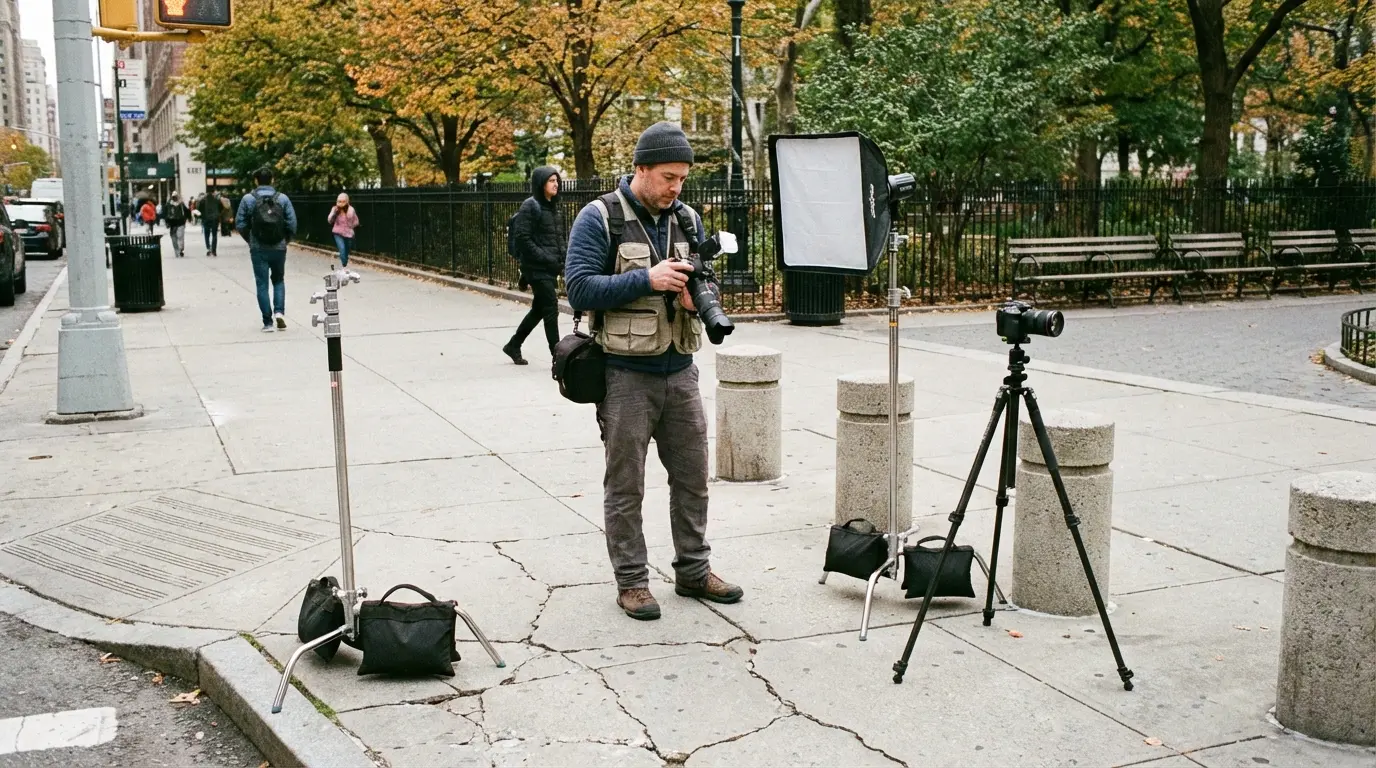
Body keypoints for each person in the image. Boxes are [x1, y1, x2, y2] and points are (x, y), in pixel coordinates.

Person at [564, 122, 743, 621]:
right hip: (624, 375)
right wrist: (648, 278)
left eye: (682, 178)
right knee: (627, 485)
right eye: (667, 177)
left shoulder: (686, 218)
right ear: (640, 169)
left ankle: (693, 570)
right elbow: (578, 288)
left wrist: (695, 297)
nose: (676, 187)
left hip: (680, 369)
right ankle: (633, 583)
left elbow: (704, 281)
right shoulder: (598, 218)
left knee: (693, 479)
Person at [502, 166, 565, 365]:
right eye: (551, 181)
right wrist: (546, 258)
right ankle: (558, 356)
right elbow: (523, 239)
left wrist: (562, 261)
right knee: (551, 308)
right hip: (536, 268)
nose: (556, 184)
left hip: (549, 267)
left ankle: (513, 344)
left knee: (540, 309)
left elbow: (558, 238)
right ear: (541, 183)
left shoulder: (554, 207)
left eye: (557, 180)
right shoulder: (531, 206)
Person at [236, 167, 298, 333]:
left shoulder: (248, 199)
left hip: (258, 248)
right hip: (279, 247)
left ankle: (268, 322)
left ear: (256, 180)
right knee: (278, 280)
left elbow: (240, 223)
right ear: (272, 180)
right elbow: (292, 223)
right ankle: (279, 312)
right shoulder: (282, 199)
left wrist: (250, 240)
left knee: (262, 284)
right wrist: (285, 240)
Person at [327, 192, 359, 267]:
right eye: (339, 201)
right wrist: (335, 213)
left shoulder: (351, 209)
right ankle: (344, 266)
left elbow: (356, 221)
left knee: (346, 252)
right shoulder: (335, 209)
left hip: (349, 234)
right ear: (337, 202)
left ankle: (344, 264)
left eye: (343, 201)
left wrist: (351, 226)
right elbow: (329, 220)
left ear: (347, 202)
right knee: (342, 248)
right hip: (338, 232)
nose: (341, 203)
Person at [163, 192, 190, 257]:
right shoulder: (181, 204)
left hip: (172, 224)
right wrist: (188, 218)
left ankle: (177, 250)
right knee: (180, 237)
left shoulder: (168, 204)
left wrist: (166, 222)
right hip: (180, 222)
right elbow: (187, 211)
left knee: (174, 237)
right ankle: (180, 249)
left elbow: (165, 214)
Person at [197, 190, 223, 256]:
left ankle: (208, 248)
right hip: (215, 219)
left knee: (207, 234)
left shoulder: (203, 201)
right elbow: (221, 208)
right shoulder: (216, 200)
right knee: (214, 234)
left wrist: (202, 216)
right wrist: (218, 215)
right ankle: (214, 250)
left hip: (206, 219)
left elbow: (199, 209)